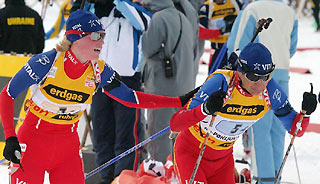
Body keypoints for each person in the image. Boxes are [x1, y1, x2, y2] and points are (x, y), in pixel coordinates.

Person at [0, 9, 195, 184]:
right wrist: (10, 137)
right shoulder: (46, 63)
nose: (101, 41)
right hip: (33, 143)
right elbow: (7, 95)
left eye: (103, 35)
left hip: (67, 148)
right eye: (95, 36)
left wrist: (178, 101)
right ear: (75, 37)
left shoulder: (99, 70)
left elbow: (131, 97)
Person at [169, 43, 317, 184]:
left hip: (222, 162)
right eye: (253, 77)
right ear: (240, 71)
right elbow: (176, 124)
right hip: (191, 155)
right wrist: (205, 109)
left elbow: (295, 129)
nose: (259, 84)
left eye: (266, 76)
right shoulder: (221, 82)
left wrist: (306, 113)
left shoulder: (270, 90)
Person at [227, 1, 298, 182]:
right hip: (280, 72)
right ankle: (275, 177)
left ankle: (263, 178)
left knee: (259, 128)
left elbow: (236, 46)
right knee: (278, 129)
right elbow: (292, 47)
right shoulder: (290, 12)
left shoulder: (253, 9)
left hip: (256, 76)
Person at [88, 0, 152, 183]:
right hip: (100, 79)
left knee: (125, 135)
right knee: (101, 132)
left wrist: (118, 2)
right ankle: (105, 176)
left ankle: (123, 178)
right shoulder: (100, 12)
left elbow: (144, 23)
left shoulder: (139, 12)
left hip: (127, 81)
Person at [141, 0, 196, 164]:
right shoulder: (183, 17)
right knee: (178, 133)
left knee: (159, 132)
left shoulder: (159, 19)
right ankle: (176, 171)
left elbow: (147, 47)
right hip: (184, 84)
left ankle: (160, 172)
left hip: (162, 86)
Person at [198, 0, 241, 73]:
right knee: (215, 78)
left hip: (236, 50)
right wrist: (220, 31)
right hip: (218, 50)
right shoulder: (206, 7)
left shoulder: (236, 3)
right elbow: (201, 33)